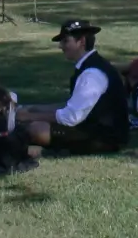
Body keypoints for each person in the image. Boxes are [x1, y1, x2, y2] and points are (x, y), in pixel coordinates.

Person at [19, 20, 129, 154]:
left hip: (104, 137)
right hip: (97, 129)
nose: (60, 46)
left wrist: (29, 116)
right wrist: (34, 109)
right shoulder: (90, 66)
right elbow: (71, 106)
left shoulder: (92, 73)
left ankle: (47, 151)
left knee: (36, 129)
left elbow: (70, 117)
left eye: (65, 41)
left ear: (81, 41)